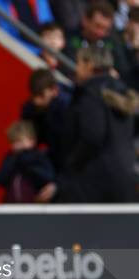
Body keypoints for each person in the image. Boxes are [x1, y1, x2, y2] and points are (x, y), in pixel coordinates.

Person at [36, 46, 136, 203]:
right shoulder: (123, 92)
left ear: (89, 65)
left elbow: (92, 136)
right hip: (124, 177)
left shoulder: (90, 95)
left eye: (79, 63)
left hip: (93, 181)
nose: (76, 68)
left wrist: (69, 168)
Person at [20, 68, 72, 170]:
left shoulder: (67, 106)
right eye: (34, 95)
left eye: (41, 95)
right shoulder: (31, 108)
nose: (37, 101)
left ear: (54, 90)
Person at [0, 120, 55, 202]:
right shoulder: (11, 158)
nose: (17, 145)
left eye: (20, 141)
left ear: (31, 141)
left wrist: (27, 165)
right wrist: (14, 161)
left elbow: (48, 177)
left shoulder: (39, 157)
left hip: (36, 203)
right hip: (12, 204)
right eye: (13, 142)